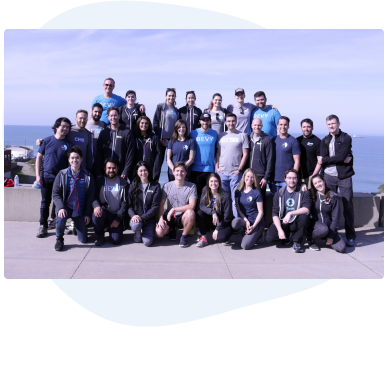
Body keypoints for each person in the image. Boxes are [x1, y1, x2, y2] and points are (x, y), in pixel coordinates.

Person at [318, 114, 356, 247]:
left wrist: (326, 159)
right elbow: (326, 158)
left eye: (333, 123)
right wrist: (338, 158)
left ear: (339, 124)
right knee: (329, 206)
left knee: (348, 206)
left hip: (344, 176)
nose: (331, 126)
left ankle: (350, 235)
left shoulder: (346, 138)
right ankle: (331, 233)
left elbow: (339, 157)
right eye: (329, 124)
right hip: (328, 176)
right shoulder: (324, 140)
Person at [52, 145, 95, 251]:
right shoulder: (62, 174)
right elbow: (55, 193)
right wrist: (61, 207)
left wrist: (88, 214)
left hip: (80, 210)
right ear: (69, 160)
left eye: (77, 158)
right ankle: (59, 239)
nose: (74, 160)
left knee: (83, 240)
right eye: (72, 158)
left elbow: (91, 196)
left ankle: (76, 227)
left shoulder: (88, 175)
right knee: (61, 218)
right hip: (66, 208)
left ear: (81, 159)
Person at [35, 118, 73, 237]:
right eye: (63, 126)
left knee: (59, 203)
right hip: (46, 177)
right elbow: (39, 158)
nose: (65, 129)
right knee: (45, 202)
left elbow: (69, 164)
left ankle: (57, 223)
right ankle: (43, 226)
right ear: (57, 127)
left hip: (61, 179)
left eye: (67, 127)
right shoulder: (46, 141)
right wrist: (37, 175)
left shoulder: (69, 144)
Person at [266, 169, 312, 253]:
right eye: (289, 178)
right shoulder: (279, 193)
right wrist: (279, 229)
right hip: (283, 222)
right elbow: (274, 213)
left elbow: (306, 209)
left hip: (296, 222)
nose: (292, 180)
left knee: (304, 217)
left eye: (294, 178)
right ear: (285, 179)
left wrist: (290, 213)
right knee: (270, 238)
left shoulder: (303, 192)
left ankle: (297, 241)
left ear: (297, 180)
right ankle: (286, 235)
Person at [156, 162, 197, 248]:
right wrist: (160, 219)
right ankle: (171, 229)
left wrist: (174, 209)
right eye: (177, 171)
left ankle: (183, 236)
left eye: (182, 171)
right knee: (159, 233)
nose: (179, 173)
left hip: (182, 217)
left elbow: (191, 206)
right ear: (173, 172)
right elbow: (161, 204)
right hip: (169, 216)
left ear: (186, 173)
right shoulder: (167, 186)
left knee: (191, 213)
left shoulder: (192, 186)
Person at [215, 113, 249, 217]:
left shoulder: (242, 135)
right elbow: (218, 153)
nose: (231, 123)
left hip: (235, 173)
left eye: (233, 121)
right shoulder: (221, 135)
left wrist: (239, 169)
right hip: (222, 173)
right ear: (225, 122)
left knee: (235, 199)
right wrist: (216, 167)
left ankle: (236, 222)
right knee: (222, 198)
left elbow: (245, 154)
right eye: (229, 121)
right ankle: (224, 221)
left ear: (236, 121)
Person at [92, 157, 129, 246]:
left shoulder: (123, 183)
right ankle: (100, 235)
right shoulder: (99, 181)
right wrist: (96, 206)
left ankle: (112, 228)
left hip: (117, 214)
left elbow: (125, 203)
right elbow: (94, 197)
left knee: (116, 240)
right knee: (96, 215)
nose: (111, 170)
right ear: (105, 169)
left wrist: (118, 219)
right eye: (109, 168)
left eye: (113, 168)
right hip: (105, 212)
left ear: (117, 169)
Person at [307, 174, 346, 253]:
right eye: (315, 183)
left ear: (324, 181)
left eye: (319, 181)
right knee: (323, 229)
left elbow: (336, 218)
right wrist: (303, 185)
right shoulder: (311, 194)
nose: (318, 184)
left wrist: (331, 236)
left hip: (329, 228)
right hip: (315, 225)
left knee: (341, 248)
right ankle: (310, 237)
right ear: (313, 185)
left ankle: (325, 236)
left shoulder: (333, 197)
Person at [95, 107, 135, 179]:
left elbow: (130, 154)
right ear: (108, 117)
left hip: (121, 172)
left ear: (119, 116)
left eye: (115, 115)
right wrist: (98, 171)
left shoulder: (127, 132)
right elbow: (99, 153)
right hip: (106, 171)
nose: (113, 117)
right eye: (111, 115)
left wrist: (126, 171)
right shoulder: (104, 133)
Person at [128, 161, 162, 247]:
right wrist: (133, 216)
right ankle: (137, 232)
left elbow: (155, 207)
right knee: (136, 226)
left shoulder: (156, 186)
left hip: (149, 219)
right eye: (141, 170)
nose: (143, 173)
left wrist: (142, 217)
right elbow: (129, 205)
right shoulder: (132, 186)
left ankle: (146, 231)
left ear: (149, 171)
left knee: (147, 242)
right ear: (137, 172)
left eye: (145, 170)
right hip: (136, 219)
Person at [195, 173, 234, 248]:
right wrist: (213, 212)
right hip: (212, 220)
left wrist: (217, 229)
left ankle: (225, 232)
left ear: (219, 182)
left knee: (223, 238)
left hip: (224, 222)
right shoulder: (205, 190)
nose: (213, 183)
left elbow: (228, 216)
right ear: (208, 183)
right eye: (211, 181)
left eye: (216, 181)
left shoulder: (225, 195)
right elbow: (202, 206)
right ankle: (204, 238)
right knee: (200, 213)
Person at [231, 169, 266, 250]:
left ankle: (260, 234)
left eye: (252, 177)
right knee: (235, 223)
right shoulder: (238, 191)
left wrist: (253, 226)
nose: (249, 179)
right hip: (246, 221)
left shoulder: (257, 192)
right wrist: (246, 221)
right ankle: (246, 233)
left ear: (254, 179)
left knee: (245, 246)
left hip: (256, 223)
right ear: (244, 177)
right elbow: (238, 209)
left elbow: (261, 212)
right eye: (248, 176)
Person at [249, 117, 275, 216]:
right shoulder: (248, 138)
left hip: (260, 176)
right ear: (251, 126)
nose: (257, 127)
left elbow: (270, 159)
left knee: (260, 201)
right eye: (255, 125)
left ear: (262, 126)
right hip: (248, 176)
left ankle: (261, 226)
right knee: (249, 201)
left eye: (259, 125)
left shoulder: (267, 140)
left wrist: (266, 177)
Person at [189, 112, 218, 199]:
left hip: (210, 169)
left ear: (210, 122)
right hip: (196, 169)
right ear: (200, 121)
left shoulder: (215, 134)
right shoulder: (193, 133)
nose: (205, 122)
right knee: (196, 195)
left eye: (207, 120)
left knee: (209, 195)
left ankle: (208, 212)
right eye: (203, 120)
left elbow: (218, 151)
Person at [271, 116, 301, 194]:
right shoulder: (273, 140)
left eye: (285, 125)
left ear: (288, 126)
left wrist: (293, 178)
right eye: (281, 124)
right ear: (277, 126)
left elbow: (297, 161)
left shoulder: (293, 141)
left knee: (287, 204)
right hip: (273, 179)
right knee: (276, 204)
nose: (283, 127)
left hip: (287, 180)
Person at [152, 88, 180, 159]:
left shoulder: (176, 110)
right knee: (159, 161)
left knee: (172, 160)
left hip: (172, 139)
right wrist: (159, 138)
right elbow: (155, 122)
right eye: (169, 95)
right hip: (162, 139)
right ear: (166, 96)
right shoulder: (161, 107)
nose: (171, 97)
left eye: (173, 96)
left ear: (175, 97)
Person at [133, 116, 163, 181]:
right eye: (142, 123)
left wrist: (156, 172)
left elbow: (159, 155)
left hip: (150, 171)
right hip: (136, 172)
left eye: (146, 123)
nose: (144, 125)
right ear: (138, 124)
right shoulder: (134, 137)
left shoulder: (154, 137)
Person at [296, 119, 323, 190]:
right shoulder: (297, 140)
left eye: (308, 127)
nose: (306, 129)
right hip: (297, 176)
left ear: (312, 127)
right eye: (304, 127)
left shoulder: (318, 141)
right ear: (301, 128)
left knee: (310, 198)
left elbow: (320, 161)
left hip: (310, 176)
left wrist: (313, 176)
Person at [85, 103, 107, 171]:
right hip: (87, 162)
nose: (97, 114)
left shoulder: (104, 125)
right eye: (96, 111)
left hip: (100, 163)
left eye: (99, 112)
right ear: (91, 111)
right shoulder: (85, 125)